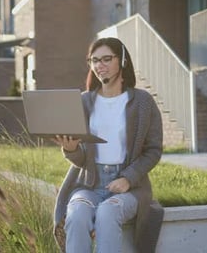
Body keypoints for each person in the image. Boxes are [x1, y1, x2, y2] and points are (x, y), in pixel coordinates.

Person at [52, 37, 164, 253]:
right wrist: (71, 149)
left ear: (121, 61)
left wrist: (128, 178)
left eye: (106, 59)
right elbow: (82, 160)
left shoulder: (142, 102)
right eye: (94, 61)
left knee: (107, 213)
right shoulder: (84, 101)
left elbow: (153, 150)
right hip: (89, 185)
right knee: (76, 214)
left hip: (128, 187)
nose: (99, 66)